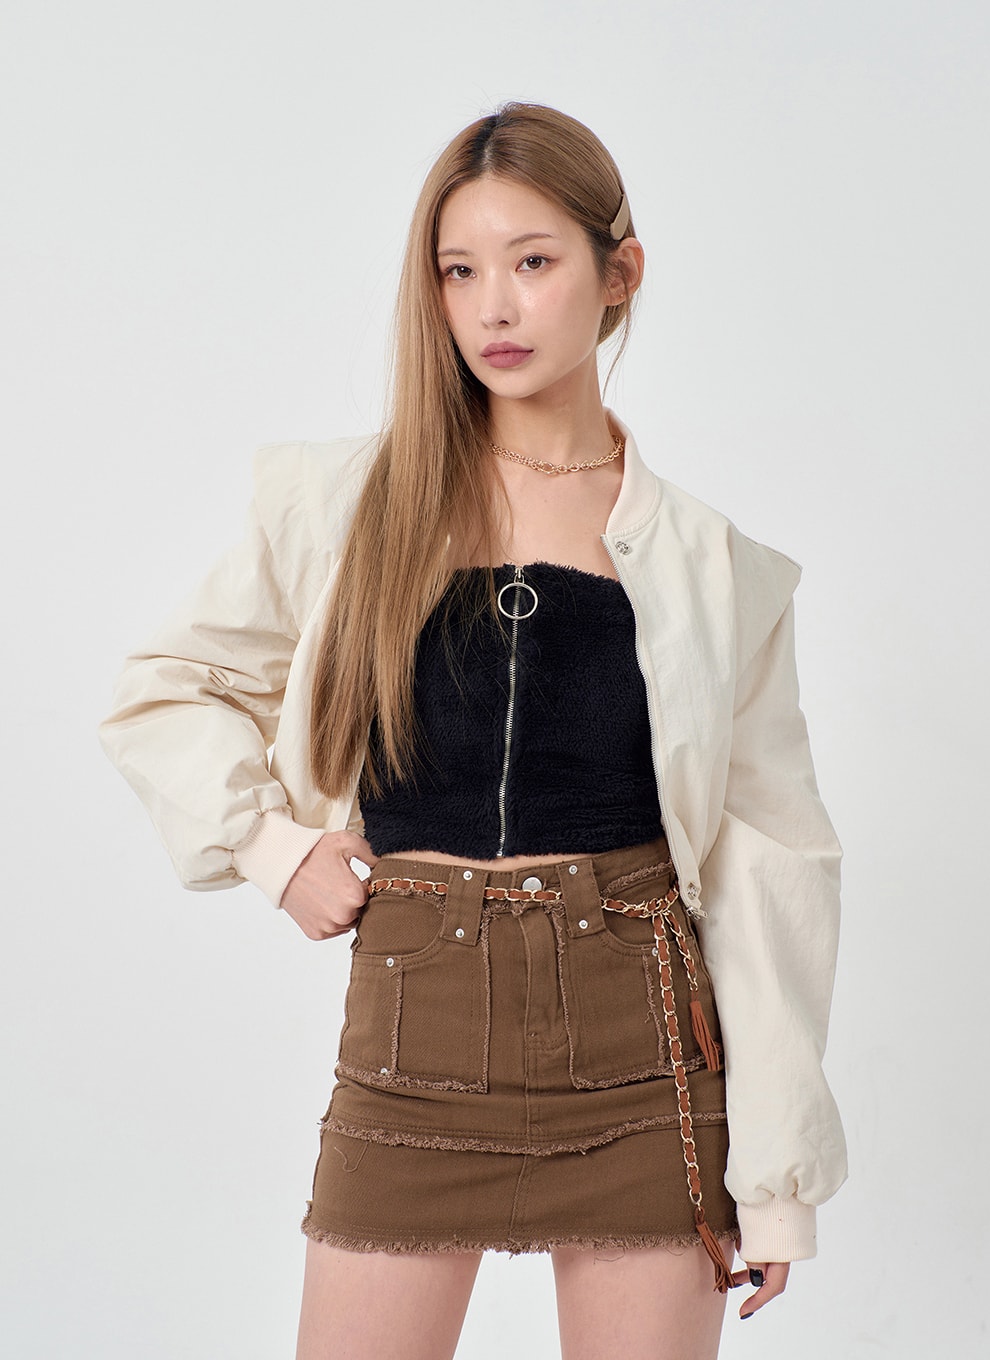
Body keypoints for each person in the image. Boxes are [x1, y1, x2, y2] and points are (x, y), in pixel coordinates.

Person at [100, 103, 847, 1360]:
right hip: (413, 1024)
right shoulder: (346, 502)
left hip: (644, 1044)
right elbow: (167, 688)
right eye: (458, 271)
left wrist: (775, 1178)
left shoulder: (716, 566)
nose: (493, 305)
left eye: (532, 260)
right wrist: (274, 850)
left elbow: (772, 870)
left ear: (619, 272)